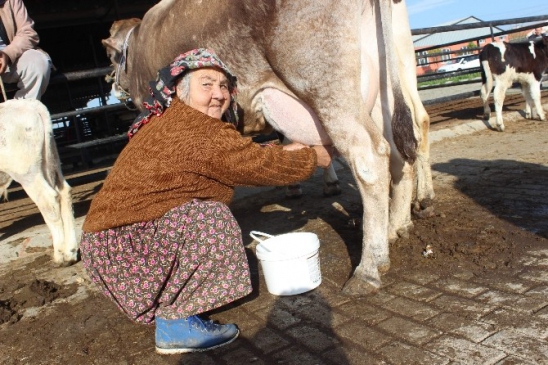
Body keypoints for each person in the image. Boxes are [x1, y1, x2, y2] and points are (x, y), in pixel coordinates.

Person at [80, 48, 334, 355]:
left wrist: (290, 152)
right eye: (206, 84)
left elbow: (243, 156)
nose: (218, 94)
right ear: (181, 91)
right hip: (125, 249)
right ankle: (176, 324)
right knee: (209, 220)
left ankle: (166, 302)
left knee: (198, 215)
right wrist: (313, 157)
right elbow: (255, 165)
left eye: (224, 86)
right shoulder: (197, 131)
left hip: (111, 249)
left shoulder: (171, 121)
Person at [0, 0, 51, 100]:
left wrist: (7, 54)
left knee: (37, 63)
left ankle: (22, 112)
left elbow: (28, 33)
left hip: (9, 59)